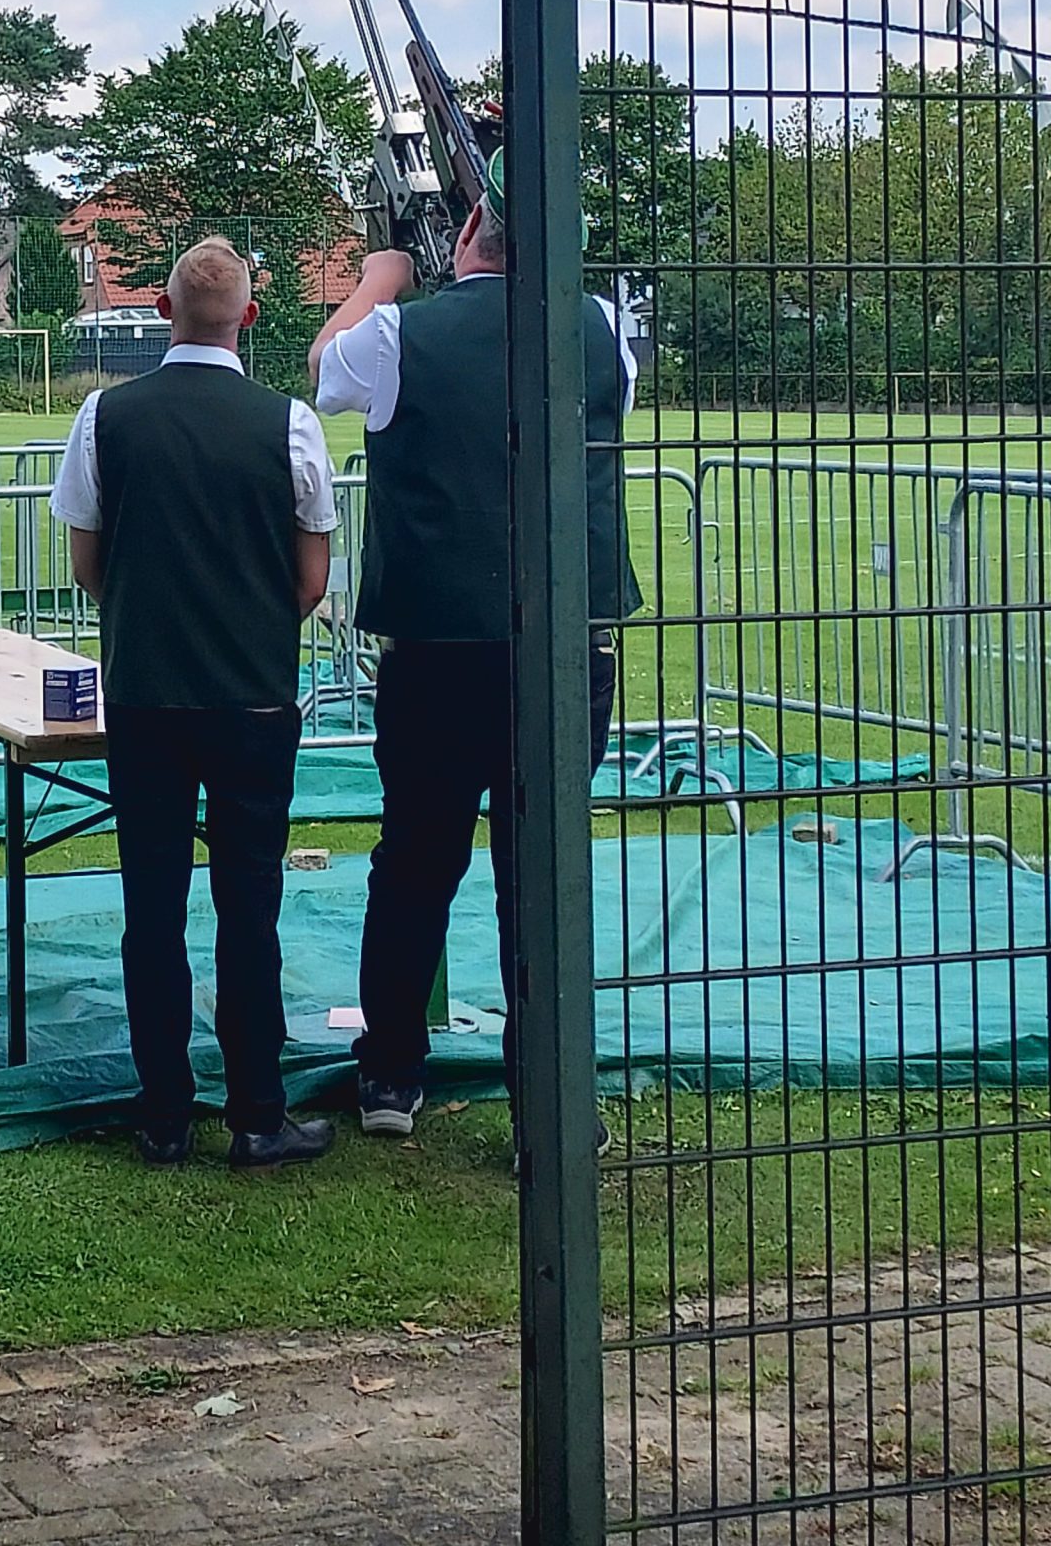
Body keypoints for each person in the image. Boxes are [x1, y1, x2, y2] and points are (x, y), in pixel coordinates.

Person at [308, 153, 639, 1154]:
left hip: (439, 652)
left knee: (415, 862)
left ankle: (391, 1071)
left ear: (468, 233)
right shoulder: (603, 329)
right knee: (540, 872)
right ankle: (550, 1091)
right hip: (567, 650)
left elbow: (323, 370)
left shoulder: (399, 331)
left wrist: (381, 275)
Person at [51, 235, 339, 1170]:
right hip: (253, 697)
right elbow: (309, 581)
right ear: (249, 317)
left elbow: (89, 563)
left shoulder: (104, 416)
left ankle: (164, 1114)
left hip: (146, 695)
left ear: (162, 311)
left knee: (152, 907)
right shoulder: (290, 423)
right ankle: (257, 1113)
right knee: (249, 908)